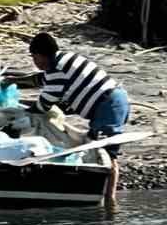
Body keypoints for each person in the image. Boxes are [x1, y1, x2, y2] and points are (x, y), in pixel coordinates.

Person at [28, 31, 131, 199]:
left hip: (108, 107)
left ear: (42, 55)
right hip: (113, 101)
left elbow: (44, 104)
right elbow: (43, 81)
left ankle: (109, 200)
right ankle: (104, 197)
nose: (34, 62)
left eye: (34, 57)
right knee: (95, 147)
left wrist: (28, 111)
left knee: (106, 155)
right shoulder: (64, 59)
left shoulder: (56, 69)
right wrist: (13, 82)